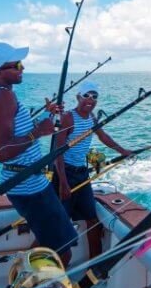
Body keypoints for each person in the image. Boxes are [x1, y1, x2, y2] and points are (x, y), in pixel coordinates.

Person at [0, 42, 77, 266]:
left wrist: (44, 118)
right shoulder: (4, 97)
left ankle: (21, 274)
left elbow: (15, 133)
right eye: (17, 64)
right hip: (29, 187)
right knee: (61, 252)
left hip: (27, 182)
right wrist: (38, 132)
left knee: (47, 242)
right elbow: (1, 152)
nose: (22, 68)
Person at [54, 81, 132, 259]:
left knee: (92, 219)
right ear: (78, 97)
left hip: (81, 173)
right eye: (86, 96)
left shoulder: (92, 118)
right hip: (64, 173)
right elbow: (56, 153)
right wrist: (63, 183)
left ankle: (95, 264)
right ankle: (52, 262)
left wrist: (123, 151)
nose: (90, 100)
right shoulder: (68, 118)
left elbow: (103, 137)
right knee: (60, 223)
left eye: (94, 96)